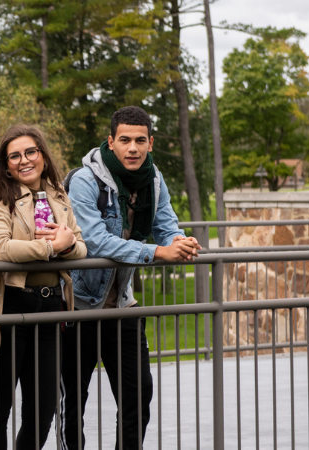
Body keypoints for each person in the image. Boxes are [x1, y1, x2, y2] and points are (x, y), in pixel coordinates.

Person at [59, 106, 201, 450]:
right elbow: (95, 240)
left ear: (150, 143)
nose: (133, 148)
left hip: (121, 305)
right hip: (77, 306)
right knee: (72, 403)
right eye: (125, 140)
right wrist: (157, 252)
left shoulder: (153, 178)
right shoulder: (85, 180)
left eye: (140, 140)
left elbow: (165, 226)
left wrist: (178, 241)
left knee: (139, 396)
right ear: (111, 142)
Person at [0, 124, 87, 450]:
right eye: (14, 156)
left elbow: (80, 246)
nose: (24, 160)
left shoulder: (58, 193)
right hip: (8, 305)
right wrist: (51, 248)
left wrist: (65, 246)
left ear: (42, 154)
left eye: (30, 152)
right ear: (5, 163)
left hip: (50, 308)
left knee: (42, 408)